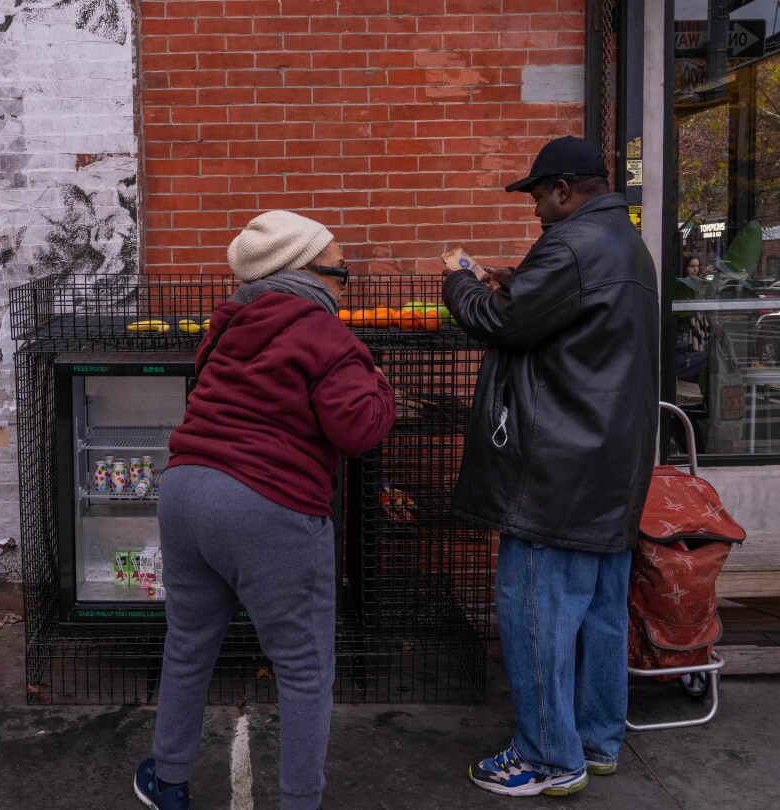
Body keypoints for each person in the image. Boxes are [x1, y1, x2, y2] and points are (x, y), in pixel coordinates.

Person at [134, 211, 395, 810]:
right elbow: (357, 429)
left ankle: (168, 781)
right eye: (341, 272)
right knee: (304, 669)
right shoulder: (326, 334)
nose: (344, 285)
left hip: (185, 489)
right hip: (267, 504)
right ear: (304, 273)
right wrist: (380, 385)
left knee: (188, 644)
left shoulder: (228, 324)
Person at [441, 137, 659, 798]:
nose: (535, 210)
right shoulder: (624, 243)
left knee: (535, 615)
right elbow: (566, 313)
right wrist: (519, 279)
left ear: (564, 190)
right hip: (611, 465)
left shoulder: (569, 245)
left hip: (557, 472)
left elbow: (503, 324)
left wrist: (457, 281)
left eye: (538, 196)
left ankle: (545, 756)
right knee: (599, 615)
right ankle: (594, 741)